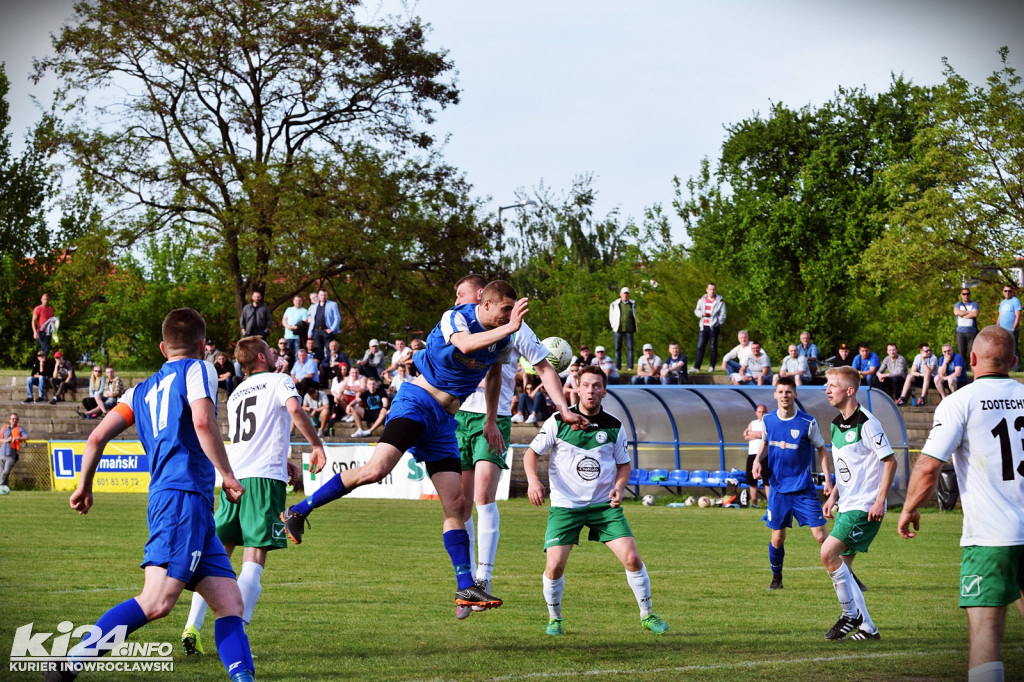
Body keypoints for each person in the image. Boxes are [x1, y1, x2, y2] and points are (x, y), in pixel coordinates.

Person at [279, 281, 589, 615]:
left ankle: (465, 587)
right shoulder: (455, 318)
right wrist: (511, 327)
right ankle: (298, 510)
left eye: (511, 312)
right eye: (503, 310)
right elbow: (467, 346)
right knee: (376, 470)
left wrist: (499, 416)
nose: (508, 316)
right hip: (417, 402)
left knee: (456, 503)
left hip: (444, 422)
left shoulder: (503, 333)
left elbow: (501, 374)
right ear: (485, 305)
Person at [56, 308, 255, 682]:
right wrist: (227, 474)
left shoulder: (139, 389)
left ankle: (245, 678)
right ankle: (69, 665)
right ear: (202, 345)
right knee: (156, 602)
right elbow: (201, 420)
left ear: (163, 348)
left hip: (178, 501)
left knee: (229, 602)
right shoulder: (200, 368)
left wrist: (84, 485)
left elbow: (96, 436)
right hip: (183, 499)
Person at [181, 336, 325, 656]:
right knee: (254, 559)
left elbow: (254, 433)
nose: (275, 354)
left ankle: (192, 625)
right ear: (262, 356)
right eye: (271, 350)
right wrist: (316, 445)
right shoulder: (279, 380)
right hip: (263, 481)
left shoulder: (235, 394)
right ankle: (235, 633)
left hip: (234, 477)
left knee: (217, 558)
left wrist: (282, 456)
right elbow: (295, 409)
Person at [898, 325, 1024, 681]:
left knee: (985, 630)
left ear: (971, 359)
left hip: (991, 537)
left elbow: (929, 467)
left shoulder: (960, 402)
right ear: (1014, 361)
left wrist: (909, 508)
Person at [524, 365, 668, 636]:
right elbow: (530, 454)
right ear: (577, 388)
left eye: (596, 386)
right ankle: (555, 619)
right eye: (586, 385)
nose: (591, 390)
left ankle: (647, 615)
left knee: (632, 558)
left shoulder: (614, 425)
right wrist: (533, 481)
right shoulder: (558, 420)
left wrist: (619, 487)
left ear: (604, 390)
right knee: (554, 566)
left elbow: (623, 465)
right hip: (566, 507)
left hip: (604, 506)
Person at [820, 366, 897, 641]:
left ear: (850, 391)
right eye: (826, 385)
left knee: (828, 553)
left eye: (832, 385)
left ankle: (849, 614)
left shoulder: (867, 423)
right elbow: (845, 469)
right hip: (847, 504)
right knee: (844, 567)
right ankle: (868, 628)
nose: (827, 390)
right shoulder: (835, 424)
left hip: (864, 507)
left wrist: (879, 501)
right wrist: (832, 497)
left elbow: (890, 461)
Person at [751, 376, 831, 591]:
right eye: (781, 392)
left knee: (821, 536)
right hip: (778, 489)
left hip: (803, 488)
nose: (784, 395)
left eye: (788, 392)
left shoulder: (807, 422)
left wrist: (828, 480)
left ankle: (848, 575)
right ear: (775, 394)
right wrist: (758, 461)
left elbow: (821, 449)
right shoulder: (768, 420)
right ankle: (777, 578)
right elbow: (766, 443)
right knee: (777, 538)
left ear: (795, 394)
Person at [692, 283, 725, 373]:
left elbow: (723, 315)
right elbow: (696, 310)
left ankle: (712, 366)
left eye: (713, 289)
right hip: (703, 326)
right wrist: (701, 314)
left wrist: (717, 322)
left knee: (713, 347)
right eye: (710, 289)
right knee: (700, 346)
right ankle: (697, 367)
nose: (712, 291)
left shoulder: (720, 301)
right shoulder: (702, 299)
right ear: (706, 290)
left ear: (716, 290)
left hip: (714, 326)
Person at [742, 404, 767, 507]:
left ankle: (770, 504)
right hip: (752, 454)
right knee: (752, 481)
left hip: (765, 454)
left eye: (763, 412)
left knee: (767, 480)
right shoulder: (752, 423)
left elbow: (764, 435)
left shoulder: (767, 423)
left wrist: (752, 433)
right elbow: (745, 436)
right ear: (756, 413)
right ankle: (754, 503)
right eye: (759, 412)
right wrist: (756, 435)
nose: (761, 414)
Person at [608, 287, 638, 371]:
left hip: (629, 329)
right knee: (617, 348)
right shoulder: (614, 304)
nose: (625, 295)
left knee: (630, 348)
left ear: (629, 295)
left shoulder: (632, 304)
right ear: (620, 294)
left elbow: (634, 315)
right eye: (624, 293)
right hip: (618, 329)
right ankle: (617, 366)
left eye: (627, 293)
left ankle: (630, 366)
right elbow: (611, 317)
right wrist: (613, 326)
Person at [307, 288, 341, 354]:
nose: (323, 297)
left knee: (329, 349)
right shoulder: (315, 306)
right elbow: (313, 319)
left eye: (325, 295)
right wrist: (310, 332)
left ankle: (328, 364)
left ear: (327, 296)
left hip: (326, 331)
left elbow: (337, 318)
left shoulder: (332, 304)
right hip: (316, 331)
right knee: (318, 350)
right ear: (318, 296)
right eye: (322, 295)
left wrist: (332, 329)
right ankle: (319, 364)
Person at [0, 412, 27, 494]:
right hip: (1, 454)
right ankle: (5, 490)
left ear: (18, 420)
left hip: (11, 455)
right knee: (3, 474)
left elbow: (27, 437)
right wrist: (6, 440)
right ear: (9, 420)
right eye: (12, 419)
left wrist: (19, 437)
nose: (14, 420)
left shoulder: (20, 428)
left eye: (16, 419)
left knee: (5, 472)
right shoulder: (4, 427)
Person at [999, 284, 1022, 372]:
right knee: (1002, 349)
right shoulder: (1002, 302)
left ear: (1012, 292)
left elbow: (1018, 316)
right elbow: (1000, 316)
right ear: (1003, 292)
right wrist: (997, 327)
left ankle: (1017, 369)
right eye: (1005, 291)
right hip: (1002, 330)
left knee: (1014, 349)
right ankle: (1004, 368)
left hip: (1012, 330)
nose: (1007, 293)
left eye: (1009, 291)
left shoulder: (1016, 301)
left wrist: (1013, 328)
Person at [955, 287, 979, 364]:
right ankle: (964, 369)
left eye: (967, 294)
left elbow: (975, 314)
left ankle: (973, 368)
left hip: (972, 332)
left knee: (973, 352)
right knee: (962, 351)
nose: (966, 296)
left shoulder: (974, 304)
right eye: (964, 294)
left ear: (970, 295)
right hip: (960, 332)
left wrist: (962, 314)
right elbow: (956, 312)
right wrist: (969, 312)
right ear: (961, 295)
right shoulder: (958, 304)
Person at [281, 294, 308, 360]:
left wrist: (295, 327)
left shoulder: (304, 311)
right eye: (296, 300)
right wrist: (287, 326)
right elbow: (284, 320)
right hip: (287, 336)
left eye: (300, 301)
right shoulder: (288, 309)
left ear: (302, 302)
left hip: (298, 337)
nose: (298, 302)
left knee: (297, 355)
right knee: (287, 355)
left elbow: (304, 322)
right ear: (293, 301)